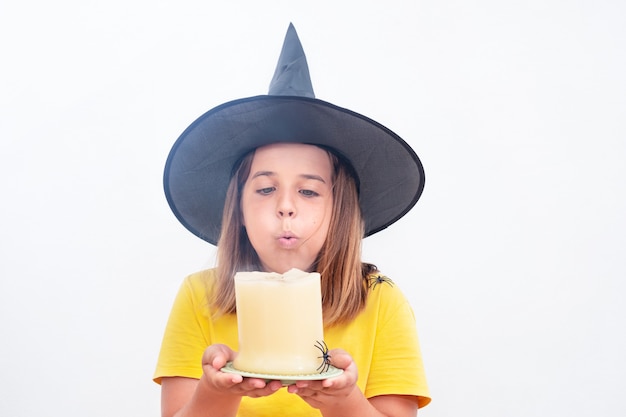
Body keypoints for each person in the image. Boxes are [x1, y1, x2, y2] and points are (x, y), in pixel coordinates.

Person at [154, 23, 431, 417]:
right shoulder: (201, 296)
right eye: (266, 189)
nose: (286, 207)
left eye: (309, 191)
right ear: (240, 211)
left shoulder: (380, 300)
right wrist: (218, 393)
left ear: (339, 210)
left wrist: (344, 401)